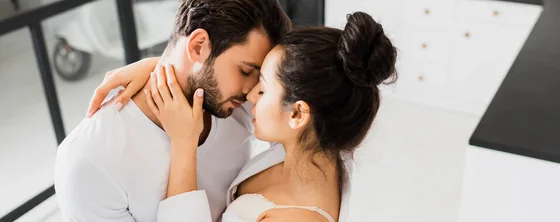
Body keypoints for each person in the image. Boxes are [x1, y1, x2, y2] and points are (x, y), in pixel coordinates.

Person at [91, 12, 397, 221]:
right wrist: (165, 67)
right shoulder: (321, 139)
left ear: (298, 114)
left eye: (262, 89)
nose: (250, 96)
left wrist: (183, 143)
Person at [54, 0, 291, 221]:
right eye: (245, 71)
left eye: (259, 76)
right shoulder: (88, 162)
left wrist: (160, 65)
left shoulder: (241, 102)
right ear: (198, 46)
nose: (252, 90)